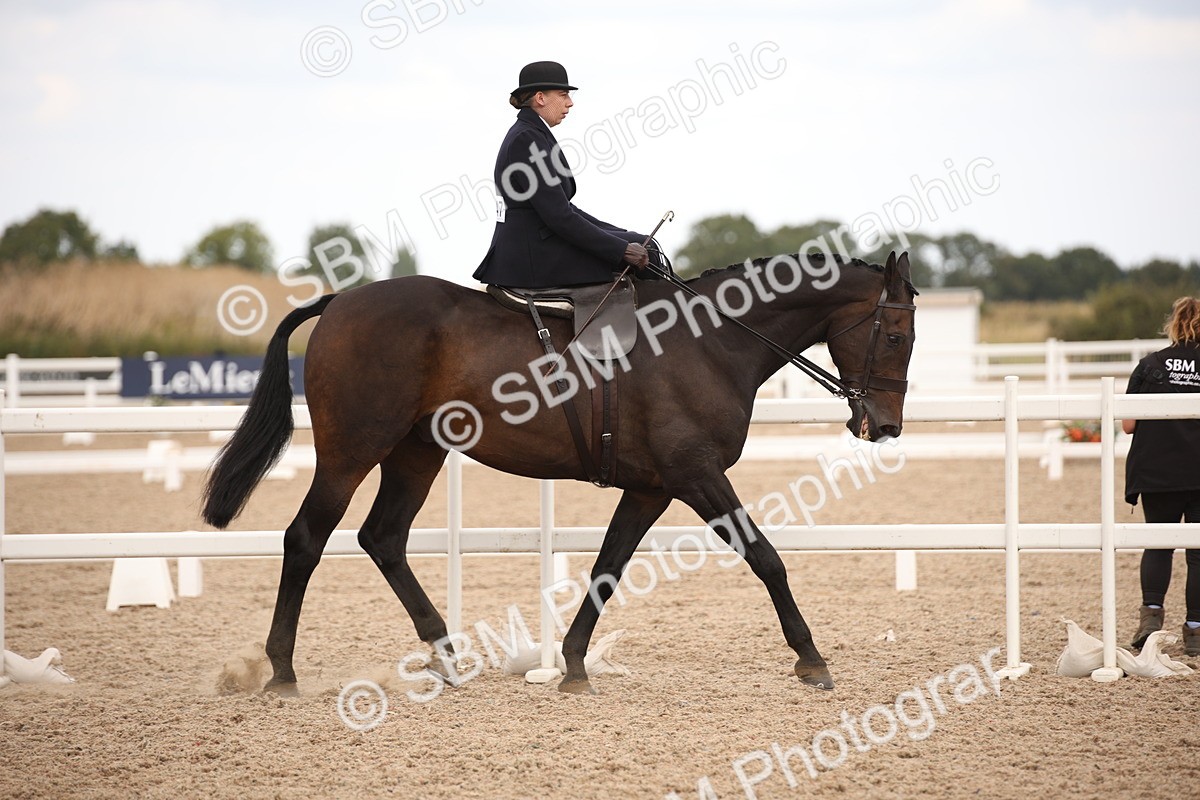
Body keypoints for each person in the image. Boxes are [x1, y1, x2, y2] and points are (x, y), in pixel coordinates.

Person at [473, 61, 653, 289]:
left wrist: (620, 235)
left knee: (644, 241)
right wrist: (622, 248)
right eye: (563, 94)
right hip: (532, 257)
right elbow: (559, 217)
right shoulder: (526, 139)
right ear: (540, 98)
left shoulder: (534, 133)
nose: (570, 102)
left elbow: (565, 209)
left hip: (540, 242)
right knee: (648, 253)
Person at [1123, 296, 1200, 656]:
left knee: (1159, 544)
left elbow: (1127, 424)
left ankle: (1150, 619)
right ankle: (1196, 629)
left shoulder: (1150, 364)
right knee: (1199, 553)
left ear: (1174, 322)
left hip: (1157, 471)